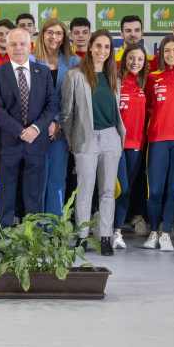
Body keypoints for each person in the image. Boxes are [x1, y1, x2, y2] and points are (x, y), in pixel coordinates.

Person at [61, 30, 125, 255]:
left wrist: (117, 138)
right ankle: (81, 237)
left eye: (107, 47)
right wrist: (72, 141)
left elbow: (116, 113)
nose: (102, 51)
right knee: (85, 190)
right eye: (98, 46)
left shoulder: (114, 77)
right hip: (85, 140)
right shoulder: (75, 75)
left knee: (107, 191)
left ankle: (105, 236)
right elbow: (67, 114)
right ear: (90, 47)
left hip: (110, 138)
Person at [0, 28, 58, 227]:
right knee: (6, 193)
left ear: (31, 46)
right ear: (6, 47)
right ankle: (5, 235)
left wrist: (35, 129)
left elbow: (52, 105)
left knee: (33, 193)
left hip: (37, 142)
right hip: (9, 143)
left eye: (22, 44)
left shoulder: (43, 72)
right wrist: (20, 131)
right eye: (13, 44)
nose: (18, 48)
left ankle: (32, 236)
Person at [142, 36, 174, 252]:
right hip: (157, 141)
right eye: (167, 51)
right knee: (154, 190)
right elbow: (145, 108)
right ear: (160, 54)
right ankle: (154, 230)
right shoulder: (152, 78)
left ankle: (166, 232)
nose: (171, 54)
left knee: (173, 190)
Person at [34, 18, 78, 218]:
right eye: (49, 32)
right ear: (42, 34)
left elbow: (75, 99)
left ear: (64, 37)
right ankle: (35, 227)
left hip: (61, 131)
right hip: (35, 130)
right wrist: (43, 124)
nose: (54, 37)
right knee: (36, 180)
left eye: (58, 33)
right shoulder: (30, 60)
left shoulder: (74, 62)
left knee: (57, 180)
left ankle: (53, 227)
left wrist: (58, 123)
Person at [114, 45, 149, 249]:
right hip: (116, 144)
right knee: (120, 188)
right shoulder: (116, 82)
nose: (135, 62)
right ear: (124, 59)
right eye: (131, 58)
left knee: (127, 190)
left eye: (140, 59)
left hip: (136, 145)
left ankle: (117, 231)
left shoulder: (145, 83)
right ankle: (110, 227)